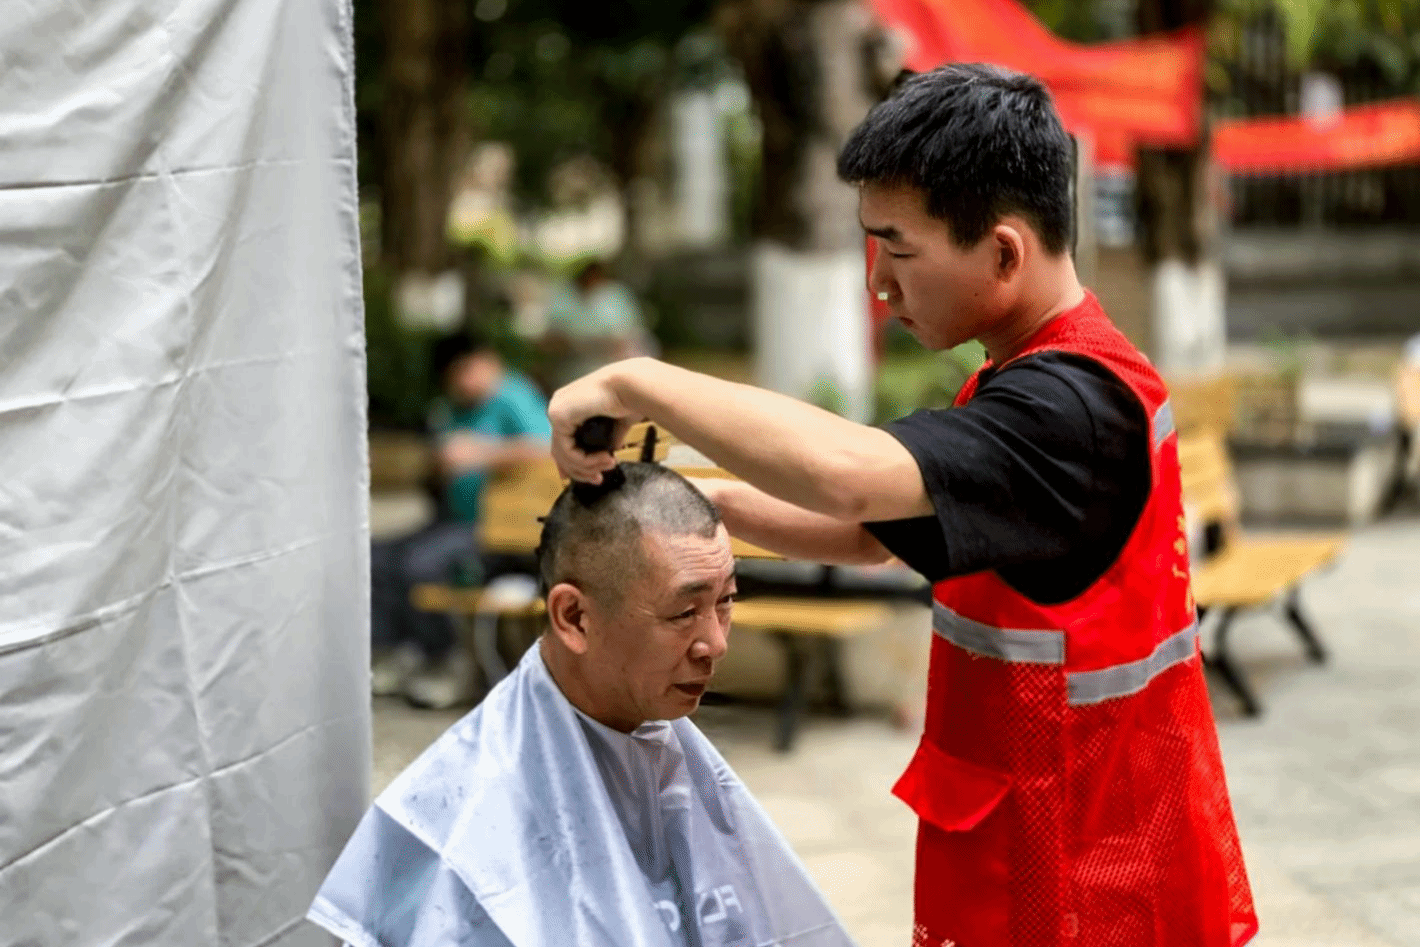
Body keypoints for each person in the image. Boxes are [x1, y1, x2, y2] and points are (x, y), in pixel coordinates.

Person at [547, 65, 1258, 947]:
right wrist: (705, 507)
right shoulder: (1044, 374)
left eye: (899, 249)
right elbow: (870, 531)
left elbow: (852, 476)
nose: (878, 283)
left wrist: (639, 381)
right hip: (1053, 839)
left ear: (1003, 252)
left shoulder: (1067, 409)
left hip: (1085, 881)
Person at [311, 463, 852, 947]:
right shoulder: (463, 819)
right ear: (573, 617)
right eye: (684, 613)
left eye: (726, 601)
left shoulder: (657, 743)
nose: (715, 642)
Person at [370, 330, 551, 709]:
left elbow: (546, 448)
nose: (464, 382)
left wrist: (482, 453)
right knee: (376, 556)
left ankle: (445, 660)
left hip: (498, 530)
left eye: (468, 370)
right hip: (452, 520)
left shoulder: (514, 397)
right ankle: (394, 650)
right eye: (455, 376)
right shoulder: (449, 409)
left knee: (422, 564)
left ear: (488, 361)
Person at [540, 259, 657, 390]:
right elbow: (548, 340)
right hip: (573, 370)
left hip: (615, 368)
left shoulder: (615, 297)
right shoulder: (562, 297)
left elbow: (629, 338)